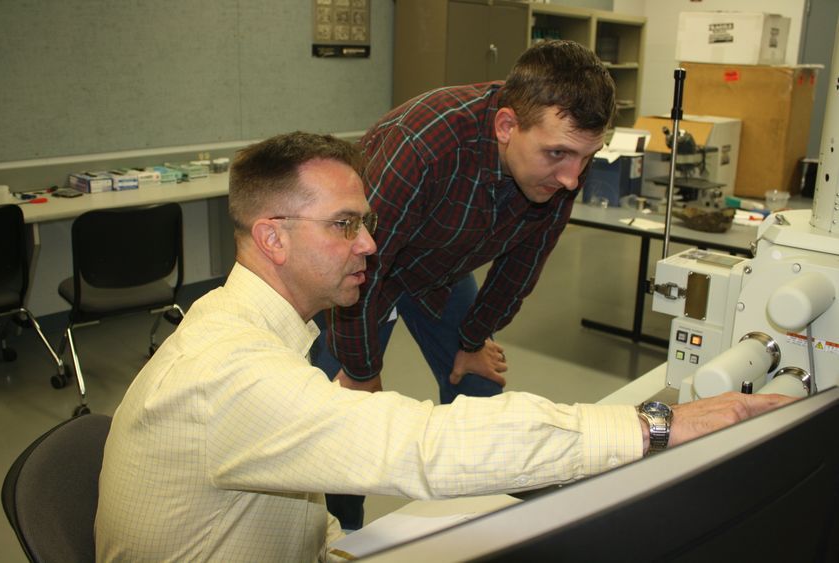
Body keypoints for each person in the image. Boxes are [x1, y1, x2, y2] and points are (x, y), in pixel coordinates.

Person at [94, 132, 792, 562]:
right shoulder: (228, 372)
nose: (369, 242)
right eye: (343, 225)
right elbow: (423, 445)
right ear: (272, 237)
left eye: (364, 221)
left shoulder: (244, 328)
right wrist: (654, 424)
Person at [313, 38, 617, 529]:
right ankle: (341, 534)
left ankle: (481, 518)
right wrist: (363, 370)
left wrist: (475, 339)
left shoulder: (561, 169)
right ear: (506, 126)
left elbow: (523, 265)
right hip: (369, 269)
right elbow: (359, 267)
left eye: (586, 158)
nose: (570, 179)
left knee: (479, 382)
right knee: (346, 418)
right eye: (558, 154)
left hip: (441, 267)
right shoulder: (425, 145)